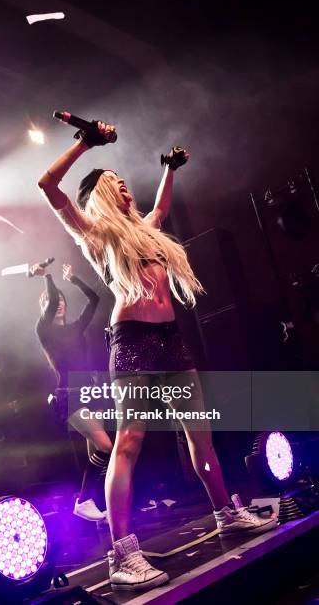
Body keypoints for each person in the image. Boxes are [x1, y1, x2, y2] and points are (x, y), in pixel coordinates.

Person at [37, 121, 277, 591]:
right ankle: (121, 555)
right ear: (103, 194)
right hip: (133, 341)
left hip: (170, 337)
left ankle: (226, 514)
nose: (126, 186)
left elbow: (162, 208)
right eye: (116, 182)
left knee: (200, 436)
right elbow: (48, 186)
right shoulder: (97, 235)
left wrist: (168, 170)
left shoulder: (145, 231)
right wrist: (85, 143)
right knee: (128, 442)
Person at [32, 260, 113, 522]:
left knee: (96, 454)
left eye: (62, 301)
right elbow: (53, 295)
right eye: (54, 302)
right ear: (45, 308)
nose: (59, 304)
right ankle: (83, 500)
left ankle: (98, 503)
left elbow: (95, 299)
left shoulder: (75, 327)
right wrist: (48, 277)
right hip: (67, 397)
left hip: (88, 394)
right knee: (105, 445)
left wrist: (74, 279)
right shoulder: (43, 330)